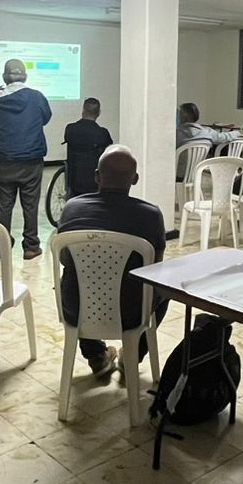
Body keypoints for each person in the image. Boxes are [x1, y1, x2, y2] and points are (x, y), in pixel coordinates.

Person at [57, 145, 168, 378]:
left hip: (78, 309)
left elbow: (64, 258)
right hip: (131, 312)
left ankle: (97, 357)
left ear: (97, 176)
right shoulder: (151, 215)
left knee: (75, 281)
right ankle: (132, 357)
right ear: (135, 179)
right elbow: (155, 268)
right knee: (164, 290)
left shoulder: (71, 209)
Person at [0, 58, 53, 259]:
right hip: (30, 159)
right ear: (25, 76)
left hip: (1, 161)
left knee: (4, 205)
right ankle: (31, 246)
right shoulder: (37, 97)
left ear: (5, 77)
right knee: (30, 205)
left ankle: (2, 246)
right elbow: (46, 118)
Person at [62, 98, 113, 198]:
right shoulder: (102, 133)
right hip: (94, 183)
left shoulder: (70, 129)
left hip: (73, 180)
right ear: (98, 113)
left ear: (83, 110)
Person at [175, 102, 240, 150]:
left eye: (179, 113)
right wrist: (237, 133)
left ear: (184, 116)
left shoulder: (176, 134)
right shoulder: (207, 132)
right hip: (200, 164)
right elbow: (224, 137)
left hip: (178, 165)